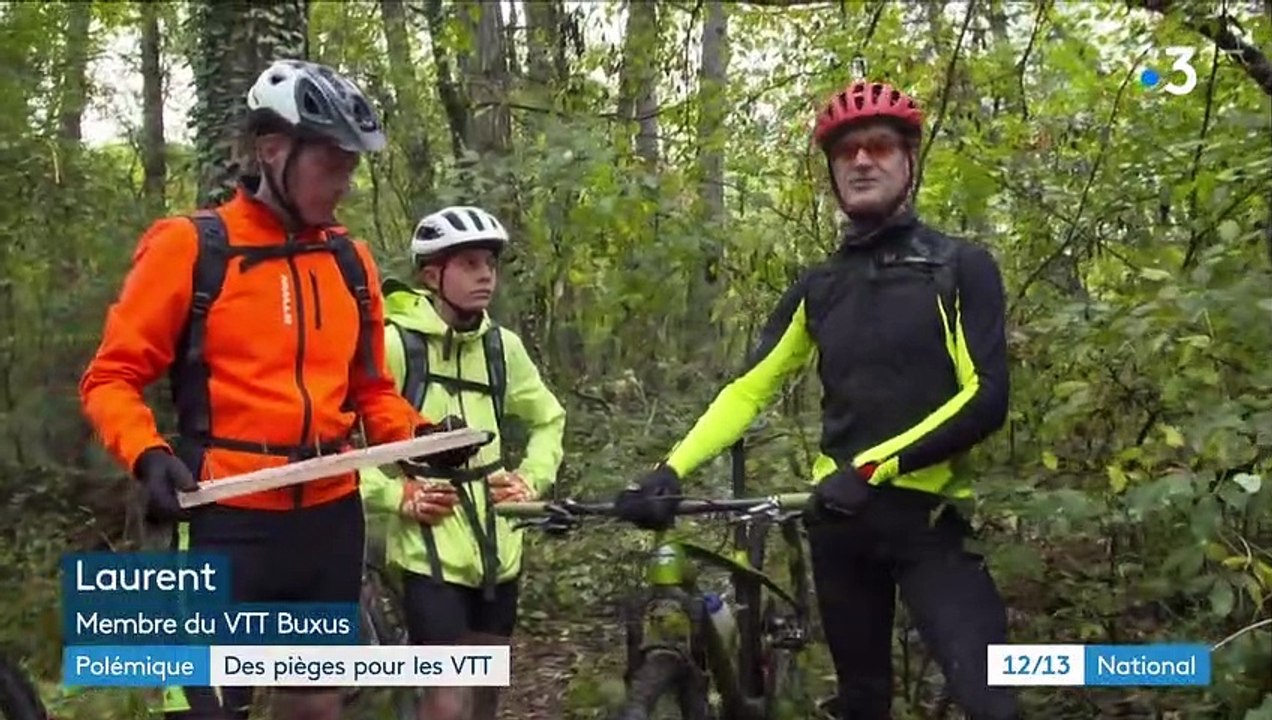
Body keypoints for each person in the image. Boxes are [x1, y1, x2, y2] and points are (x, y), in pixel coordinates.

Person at [79, 59, 482, 720]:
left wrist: (419, 440)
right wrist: (148, 456)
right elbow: (111, 377)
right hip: (222, 519)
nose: (344, 182)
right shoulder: (190, 247)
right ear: (271, 151)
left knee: (317, 703)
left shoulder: (350, 261)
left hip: (328, 522)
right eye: (330, 164)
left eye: (351, 166)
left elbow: (370, 391)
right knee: (205, 710)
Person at [612, 79, 1021, 720]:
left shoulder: (958, 266)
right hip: (840, 526)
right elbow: (749, 390)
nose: (862, 161)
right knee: (861, 704)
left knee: (990, 700)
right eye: (846, 152)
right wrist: (670, 469)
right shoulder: (820, 287)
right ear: (831, 171)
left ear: (910, 161)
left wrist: (871, 468)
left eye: (880, 146)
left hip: (928, 525)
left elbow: (986, 397)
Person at [359, 205, 566, 720]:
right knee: (447, 698)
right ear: (433, 274)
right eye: (470, 264)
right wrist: (396, 497)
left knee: (485, 693)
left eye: (490, 265)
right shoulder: (392, 343)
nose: (485, 276)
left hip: (500, 545)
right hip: (428, 548)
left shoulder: (502, 347)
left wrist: (531, 479)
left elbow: (548, 418)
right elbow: (340, 444)